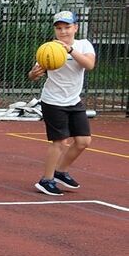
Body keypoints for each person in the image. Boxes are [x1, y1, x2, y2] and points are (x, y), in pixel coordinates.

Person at [29, 11, 96, 196]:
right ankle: (46, 180)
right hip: (53, 101)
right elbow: (33, 74)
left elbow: (89, 65)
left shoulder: (83, 45)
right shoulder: (49, 49)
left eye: (67, 27)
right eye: (59, 28)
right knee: (59, 142)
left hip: (73, 100)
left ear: (76, 27)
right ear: (55, 30)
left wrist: (70, 50)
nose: (63, 31)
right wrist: (34, 74)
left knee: (83, 141)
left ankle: (60, 171)